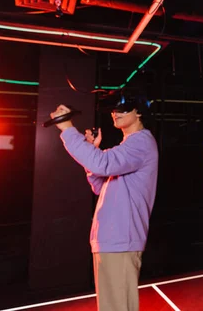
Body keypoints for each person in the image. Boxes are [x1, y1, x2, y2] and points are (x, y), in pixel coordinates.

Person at [50, 96, 158, 311]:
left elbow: (102, 163)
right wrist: (93, 152)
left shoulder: (141, 142)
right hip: (112, 239)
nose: (115, 113)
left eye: (123, 109)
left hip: (120, 239)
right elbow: (100, 185)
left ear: (140, 112)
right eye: (113, 110)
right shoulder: (125, 148)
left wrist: (68, 129)